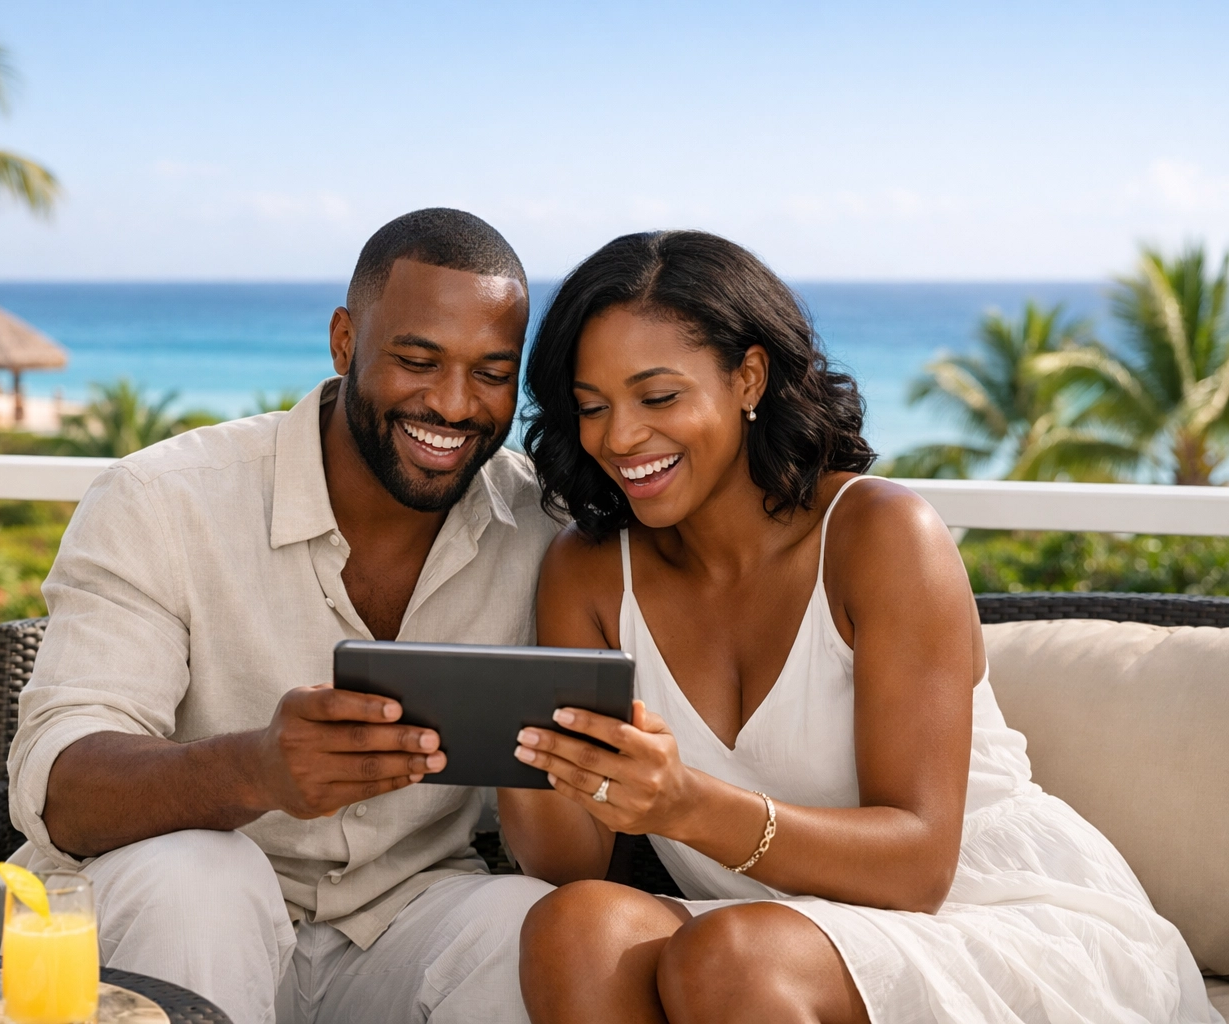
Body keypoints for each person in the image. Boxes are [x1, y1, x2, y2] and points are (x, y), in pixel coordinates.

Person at [499, 230, 1221, 1024]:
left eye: (659, 397)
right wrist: (509, 739)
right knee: (576, 929)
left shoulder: (880, 535)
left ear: (749, 377)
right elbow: (568, 864)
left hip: (988, 918)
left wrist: (682, 806)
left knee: (734, 957)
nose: (620, 437)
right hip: (763, 936)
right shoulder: (590, 572)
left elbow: (918, 868)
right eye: (591, 406)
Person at [6, 208, 558, 1024]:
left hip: (402, 920)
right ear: (344, 341)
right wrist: (253, 771)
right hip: (177, 921)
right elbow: (60, 789)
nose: (452, 403)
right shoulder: (163, 499)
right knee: (200, 880)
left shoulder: (544, 529)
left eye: (491, 372)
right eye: (417, 360)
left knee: (530, 930)